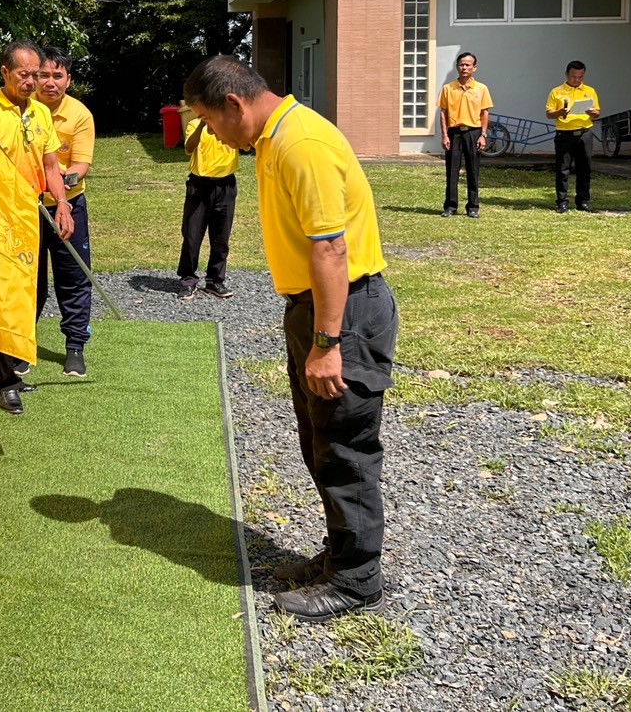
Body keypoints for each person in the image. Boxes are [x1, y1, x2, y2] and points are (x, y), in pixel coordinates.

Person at [184, 55, 395, 623]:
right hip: (316, 308)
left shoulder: (300, 142)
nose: (211, 134)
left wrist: (327, 343)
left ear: (234, 104)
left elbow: (331, 247)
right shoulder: (274, 139)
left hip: (344, 312)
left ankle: (357, 580)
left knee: (345, 446)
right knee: (320, 441)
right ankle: (341, 555)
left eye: (209, 120)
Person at [0, 41, 74, 415]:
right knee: (7, 297)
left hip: (34, 214)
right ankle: (5, 380)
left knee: (35, 293)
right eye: (24, 74)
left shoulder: (41, 112)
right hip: (0, 219)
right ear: (5, 72)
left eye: (36, 74)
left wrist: (62, 204)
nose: (32, 81)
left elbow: (51, 166)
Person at [36, 48, 95, 378]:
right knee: (29, 281)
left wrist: (56, 183)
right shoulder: (24, 113)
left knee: (73, 278)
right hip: (28, 208)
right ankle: (20, 347)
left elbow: (80, 166)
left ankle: (75, 347)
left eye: (57, 76)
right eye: (43, 75)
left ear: (68, 80)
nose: (50, 82)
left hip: (68, 206)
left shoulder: (80, 115)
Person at [177, 107, 239, 299]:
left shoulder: (231, 126)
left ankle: (215, 281)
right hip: (199, 186)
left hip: (226, 185)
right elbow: (189, 148)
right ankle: (188, 279)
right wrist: (203, 124)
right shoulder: (194, 125)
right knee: (192, 236)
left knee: (221, 237)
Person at [437, 52, 494, 218]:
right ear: (457, 67)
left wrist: (483, 135)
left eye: (468, 65)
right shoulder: (448, 88)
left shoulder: (481, 89)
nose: (464, 68)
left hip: (473, 132)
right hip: (454, 133)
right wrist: (444, 135)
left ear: (474, 68)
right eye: (461, 64)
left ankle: (473, 207)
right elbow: (443, 112)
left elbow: (485, 113)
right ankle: (450, 206)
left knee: (473, 170)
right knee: (452, 170)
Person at [545, 60, 601, 213]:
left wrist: (593, 113)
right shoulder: (556, 92)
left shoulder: (590, 91)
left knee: (585, 169)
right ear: (566, 74)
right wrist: (559, 113)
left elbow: (597, 112)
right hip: (565, 134)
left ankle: (583, 201)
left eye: (580, 77)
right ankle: (562, 201)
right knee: (563, 169)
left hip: (585, 133)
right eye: (573, 76)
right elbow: (549, 113)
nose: (576, 79)